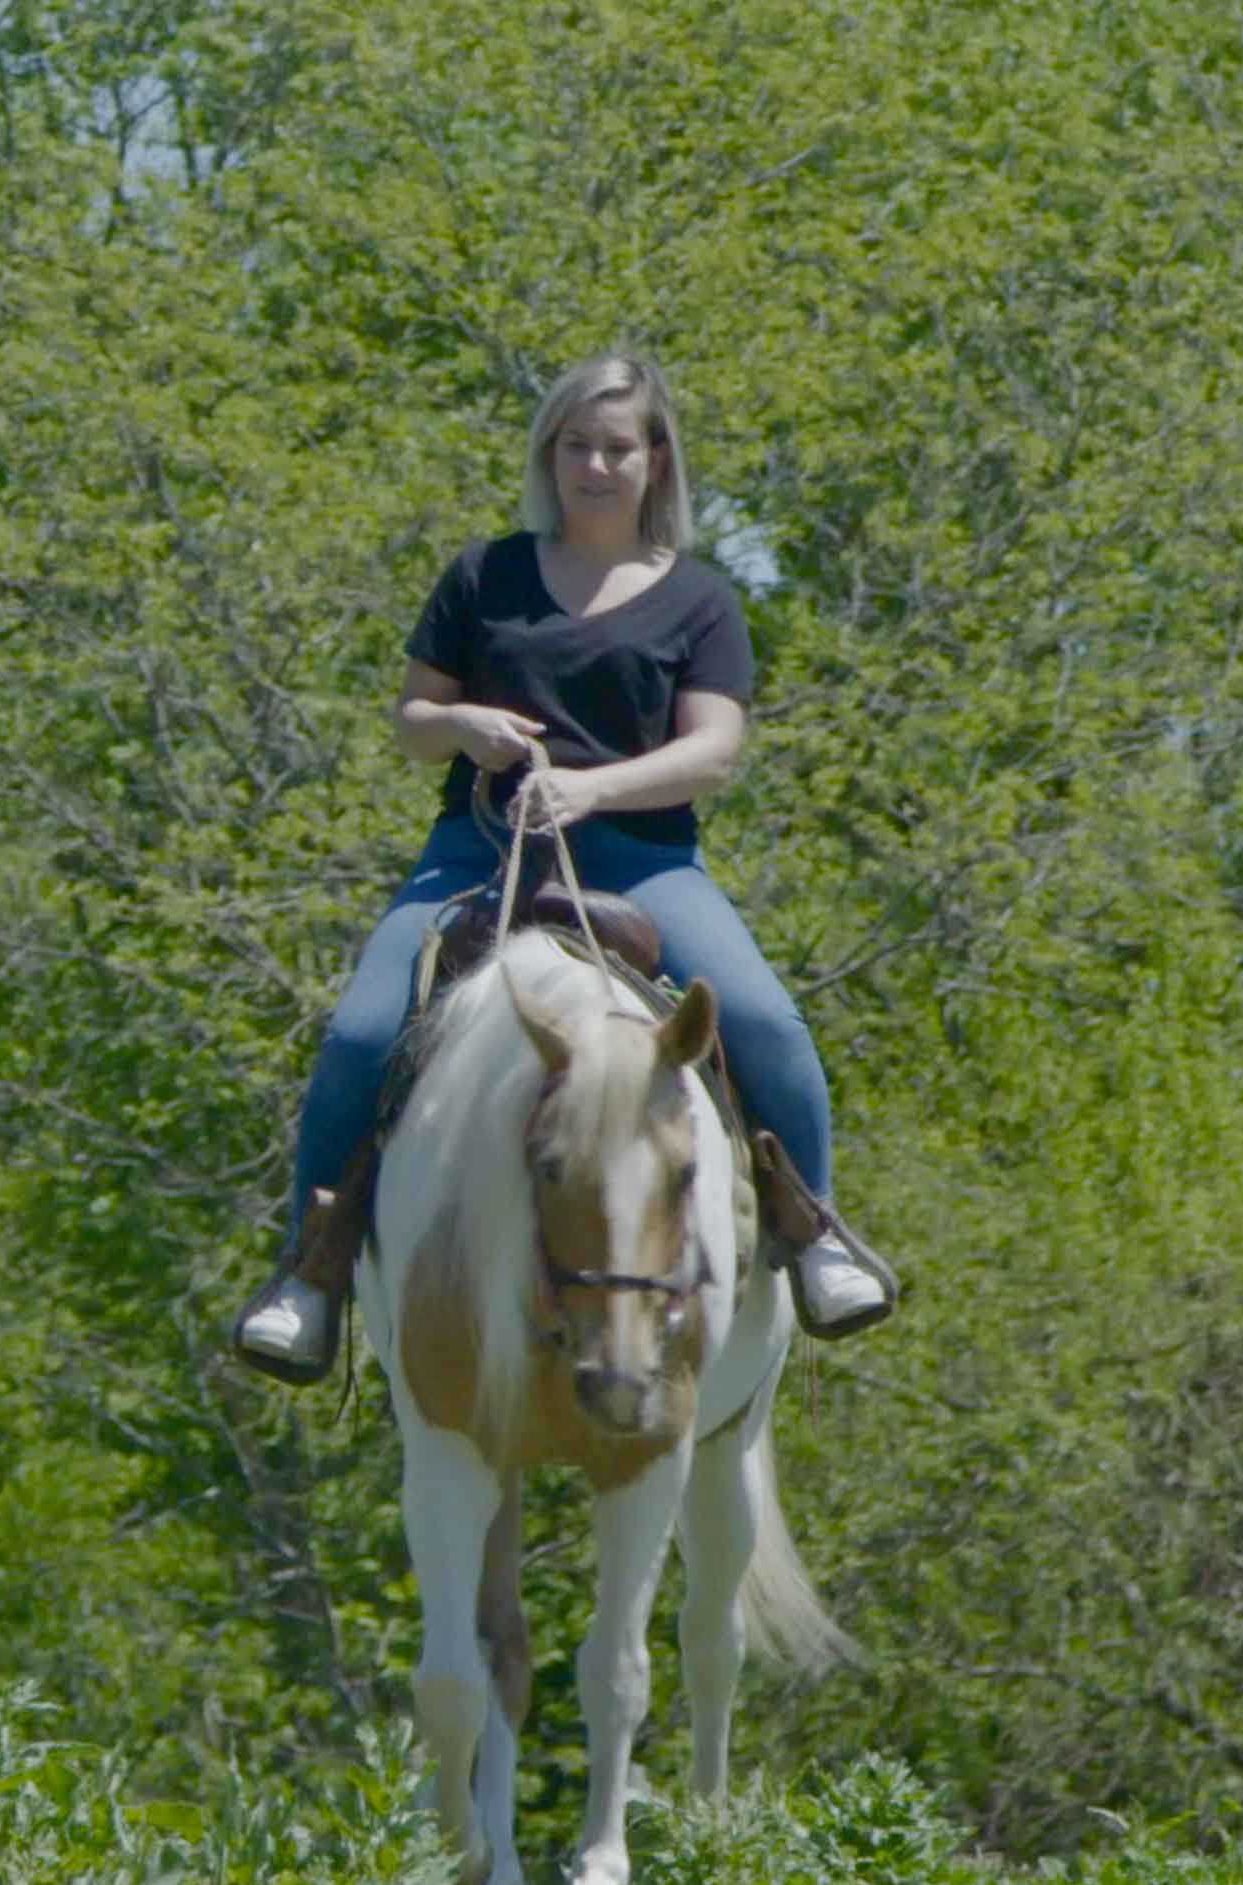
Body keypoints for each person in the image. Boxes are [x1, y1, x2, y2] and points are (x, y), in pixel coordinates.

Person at [230, 352, 898, 1383]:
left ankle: (814, 1235)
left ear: (656, 458)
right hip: (478, 851)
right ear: (552, 454)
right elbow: (413, 720)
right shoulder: (484, 575)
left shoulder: (700, 600)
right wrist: (462, 723)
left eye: (617, 447)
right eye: (576, 445)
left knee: (764, 1020)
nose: (595, 465)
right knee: (363, 1026)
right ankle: (309, 1275)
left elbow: (714, 749)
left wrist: (594, 790)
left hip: (643, 858)